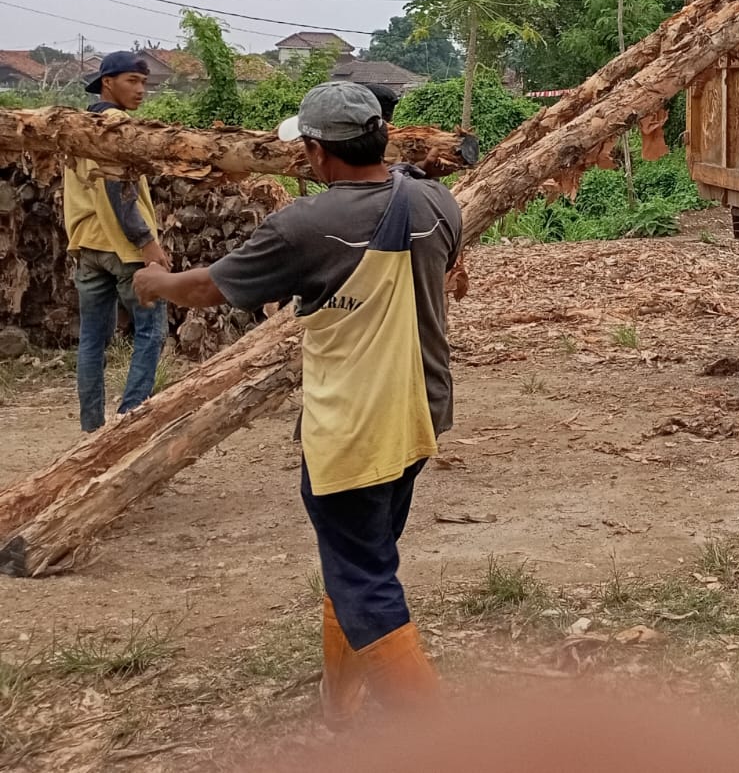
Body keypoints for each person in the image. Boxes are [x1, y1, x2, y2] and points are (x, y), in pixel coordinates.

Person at [134, 82, 466, 723]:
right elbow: (446, 265)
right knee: (362, 557)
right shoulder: (436, 199)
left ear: (316, 153)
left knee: (363, 577)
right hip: (422, 407)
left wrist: (156, 283)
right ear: (382, 136)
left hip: (354, 423)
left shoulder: (304, 225)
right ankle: (340, 704)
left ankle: (440, 737)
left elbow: (208, 289)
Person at [64, 51, 169, 432]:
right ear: (107, 83)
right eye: (132, 81)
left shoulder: (77, 125)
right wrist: (146, 241)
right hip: (124, 247)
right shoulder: (116, 124)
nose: (141, 90)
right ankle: (129, 422)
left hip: (87, 245)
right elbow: (117, 187)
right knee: (151, 331)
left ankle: (92, 429)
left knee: (92, 339)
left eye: (144, 83)